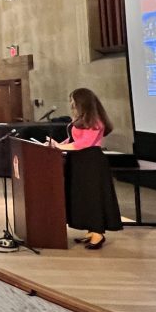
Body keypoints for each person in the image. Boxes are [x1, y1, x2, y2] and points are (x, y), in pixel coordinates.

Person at [47, 88, 123, 250]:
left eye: (73, 101)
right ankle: (91, 229)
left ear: (82, 101)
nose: (71, 104)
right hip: (78, 162)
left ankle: (98, 233)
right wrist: (56, 144)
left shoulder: (95, 121)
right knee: (82, 196)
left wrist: (60, 147)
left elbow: (84, 143)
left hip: (91, 163)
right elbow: (73, 138)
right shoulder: (82, 118)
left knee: (92, 197)